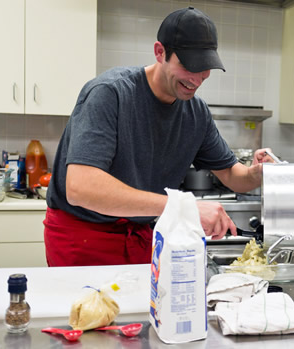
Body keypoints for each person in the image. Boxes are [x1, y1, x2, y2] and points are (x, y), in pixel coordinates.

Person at [44, 7, 273, 267]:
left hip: (142, 235)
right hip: (83, 237)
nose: (197, 79)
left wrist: (256, 173)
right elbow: (80, 188)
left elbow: (233, 176)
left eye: (205, 68)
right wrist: (183, 207)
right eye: (189, 66)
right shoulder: (110, 94)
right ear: (160, 52)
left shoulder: (195, 113)